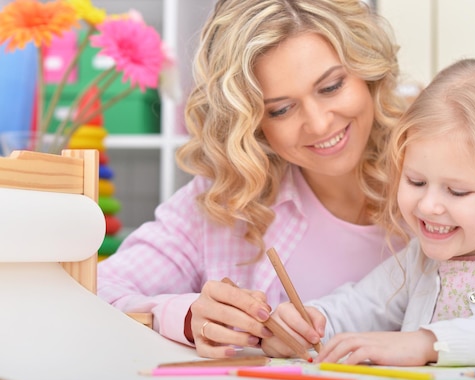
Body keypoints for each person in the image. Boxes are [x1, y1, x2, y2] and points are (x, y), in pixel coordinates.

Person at [96, 0, 408, 358]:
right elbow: (94, 291)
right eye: (281, 109)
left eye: (331, 87)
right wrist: (184, 318)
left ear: (369, 71)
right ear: (252, 121)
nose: (320, 123)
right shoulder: (227, 204)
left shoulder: (445, 174)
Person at [261, 58, 475, 367]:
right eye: (416, 181)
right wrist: (308, 323)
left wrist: (428, 343)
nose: (426, 206)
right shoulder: (418, 259)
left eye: (457, 191)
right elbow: (359, 305)